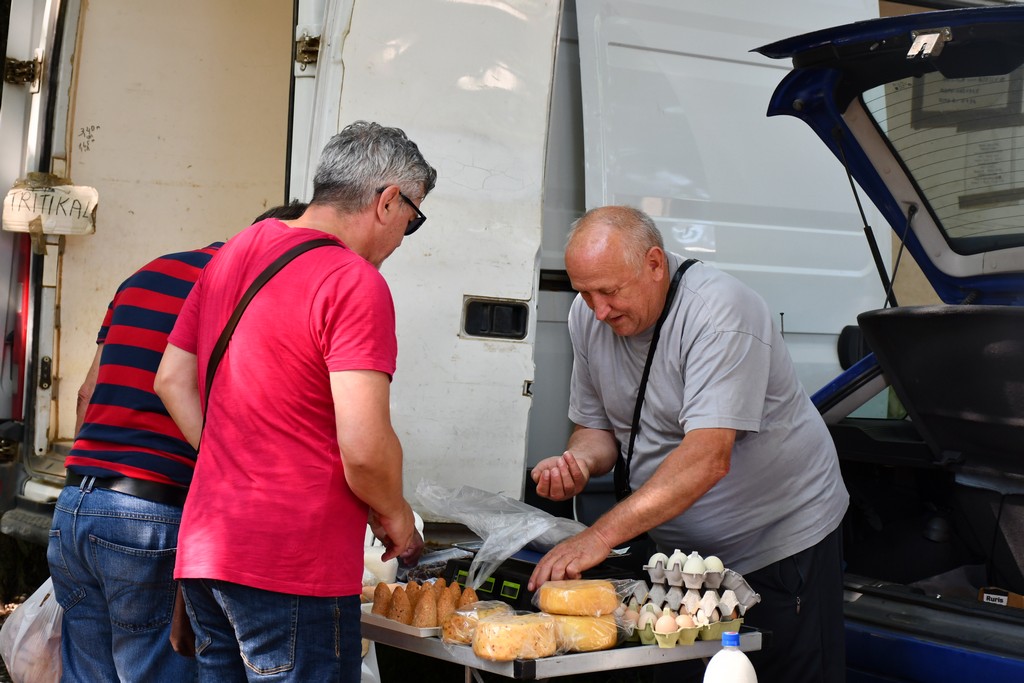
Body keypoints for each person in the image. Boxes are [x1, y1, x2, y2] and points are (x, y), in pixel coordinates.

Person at [154, 120, 435, 682]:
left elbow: (171, 379)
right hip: (292, 564)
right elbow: (364, 448)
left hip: (208, 551)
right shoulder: (353, 280)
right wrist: (398, 517)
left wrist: (235, 456)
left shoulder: (237, 250)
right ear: (387, 202)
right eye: (413, 219)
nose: (405, 237)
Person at [527, 206, 849, 683]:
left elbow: (706, 460)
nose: (598, 310)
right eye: (584, 292)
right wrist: (578, 462)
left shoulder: (720, 312)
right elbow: (597, 430)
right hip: (681, 560)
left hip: (776, 547)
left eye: (609, 292)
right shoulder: (588, 314)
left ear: (655, 264)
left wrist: (598, 536)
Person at [46, 202, 306, 683]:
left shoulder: (147, 273)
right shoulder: (246, 290)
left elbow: (87, 392)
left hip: (76, 505)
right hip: (150, 514)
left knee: (86, 674)